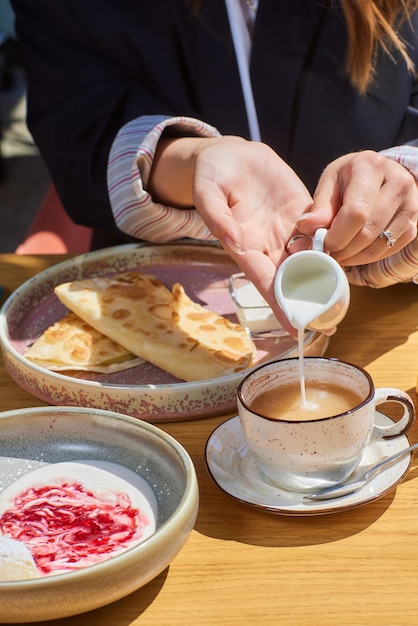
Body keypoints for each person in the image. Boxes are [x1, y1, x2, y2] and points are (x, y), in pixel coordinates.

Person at [10, 0, 418, 331]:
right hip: (155, 321)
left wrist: (405, 182)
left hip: (379, 325)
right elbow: (77, 127)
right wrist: (189, 164)